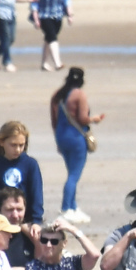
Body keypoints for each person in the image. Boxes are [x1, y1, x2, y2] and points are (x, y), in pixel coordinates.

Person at [49, 66, 105, 223]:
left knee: (71, 172)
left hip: (61, 135)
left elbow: (54, 120)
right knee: (74, 175)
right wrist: (94, 119)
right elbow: (82, 119)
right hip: (76, 137)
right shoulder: (79, 95)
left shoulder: (58, 95)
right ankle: (67, 208)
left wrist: (57, 140)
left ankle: (73, 207)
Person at [0, 120, 45, 226]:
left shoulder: (31, 164)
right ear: (1, 142)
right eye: (13, 145)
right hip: (1, 219)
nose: (17, 149)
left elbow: (36, 193)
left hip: (25, 219)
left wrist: (36, 220)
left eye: (21, 145)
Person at [28, 0, 72, 73]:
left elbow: (66, 0)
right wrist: (36, 19)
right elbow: (34, 4)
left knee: (49, 39)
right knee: (53, 38)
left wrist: (70, 15)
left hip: (57, 16)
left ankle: (44, 64)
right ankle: (58, 63)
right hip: (44, 16)